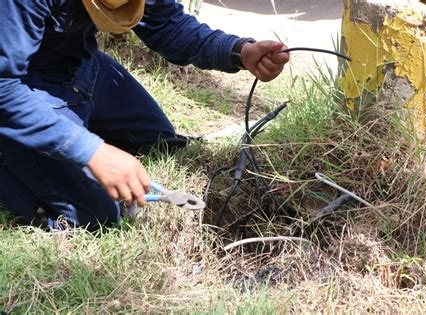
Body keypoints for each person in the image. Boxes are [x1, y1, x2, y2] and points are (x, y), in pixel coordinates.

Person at [0, 0, 290, 230]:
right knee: (99, 214)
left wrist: (239, 51)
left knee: (158, 142)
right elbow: (3, 87)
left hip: (76, 65)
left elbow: (167, 24)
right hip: (19, 85)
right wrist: (91, 151)